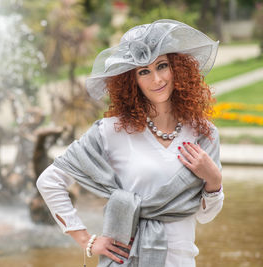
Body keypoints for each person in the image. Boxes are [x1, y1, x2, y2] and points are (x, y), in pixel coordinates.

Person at [36, 19, 224, 267]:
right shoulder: (111, 131)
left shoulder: (203, 133)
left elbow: (205, 216)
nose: (156, 79)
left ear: (178, 68)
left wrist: (214, 180)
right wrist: (87, 240)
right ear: (130, 80)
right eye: (143, 71)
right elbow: (50, 181)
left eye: (162, 66)